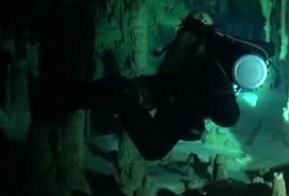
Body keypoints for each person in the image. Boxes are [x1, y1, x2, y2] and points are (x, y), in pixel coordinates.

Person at [41, 12, 269, 160]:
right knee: (121, 95)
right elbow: (168, 80)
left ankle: (61, 98)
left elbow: (226, 115)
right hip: (175, 96)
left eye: (185, 33)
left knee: (151, 143)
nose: (181, 37)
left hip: (181, 101)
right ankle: (61, 98)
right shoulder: (201, 60)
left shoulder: (207, 65)